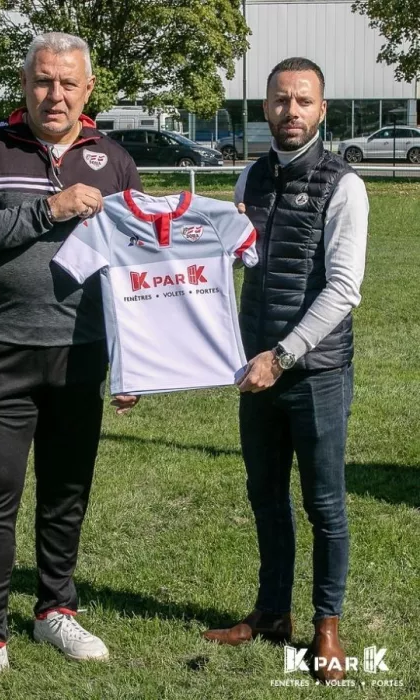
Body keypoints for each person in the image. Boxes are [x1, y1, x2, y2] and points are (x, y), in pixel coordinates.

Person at [0, 31, 140, 699]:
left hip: (80, 356)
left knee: (65, 496)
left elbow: (137, 273)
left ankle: (56, 611)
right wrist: (47, 208)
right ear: (25, 85)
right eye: (42, 81)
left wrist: (137, 361)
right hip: (0, 350)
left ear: (89, 91)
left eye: (68, 83)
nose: (54, 94)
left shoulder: (113, 159)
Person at [203, 57, 369, 684]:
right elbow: (227, 270)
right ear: (265, 107)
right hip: (257, 372)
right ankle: (273, 613)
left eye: (303, 101)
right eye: (280, 100)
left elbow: (344, 290)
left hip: (313, 372)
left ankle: (326, 624)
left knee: (324, 504)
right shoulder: (250, 177)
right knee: (265, 499)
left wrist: (283, 355)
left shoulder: (343, 185)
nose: (291, 111)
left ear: (322, 110)